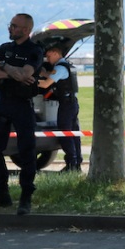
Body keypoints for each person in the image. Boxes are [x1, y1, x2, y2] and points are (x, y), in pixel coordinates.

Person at [0, 13, 44, 215]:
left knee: (27, 152)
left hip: (22, 106)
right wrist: (7, 69)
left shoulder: (34, 50)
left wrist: (3, 65)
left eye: (15, 26)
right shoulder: (5, 48)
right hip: (2, 104)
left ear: (26, 30)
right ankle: (2, 194)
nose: (10, 28)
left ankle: (25, 197)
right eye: (10, 24)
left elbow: (25, 75)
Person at [37, 44, 82, 172]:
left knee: (65, 133)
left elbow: (46, 84)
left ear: (56, 53)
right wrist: (44, 73)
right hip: (71, 103)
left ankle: (71, 164)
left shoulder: (60, 68)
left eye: (49, 56)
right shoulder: (62, 66)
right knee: (73, 133)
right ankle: (76, 162)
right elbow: (51, 76)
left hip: (67, 105)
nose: (47, 58)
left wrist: (32, 79)